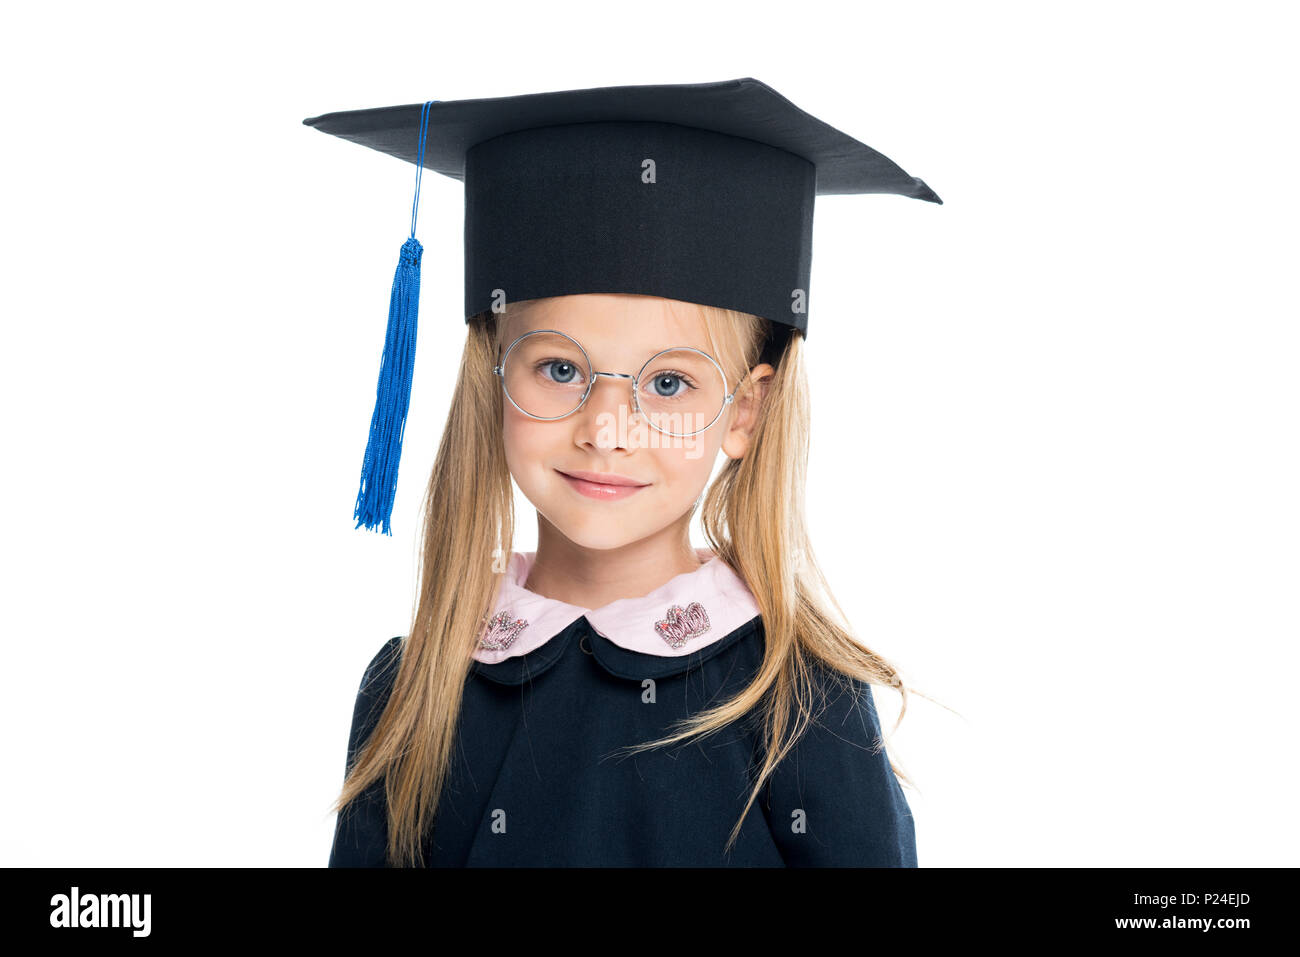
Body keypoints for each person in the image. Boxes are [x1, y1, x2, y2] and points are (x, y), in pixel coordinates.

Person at [303, 78, 941, 866]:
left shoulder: (796, 699)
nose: (606, 430)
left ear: (744, 412)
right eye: (560, 369)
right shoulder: (415, 688)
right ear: (492, 373)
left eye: (668, 383)